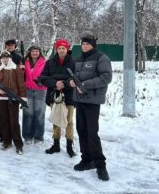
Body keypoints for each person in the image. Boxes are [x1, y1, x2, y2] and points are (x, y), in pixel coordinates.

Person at [70, 34, 112, 181]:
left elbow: (106, 77)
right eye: (83, 44)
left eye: (87, 44)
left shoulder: (101, 58)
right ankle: (87, 159)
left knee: (92, 133)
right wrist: (71, 82)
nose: (84, 46)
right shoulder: (78, 58)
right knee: (81, 131)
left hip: (92, 101)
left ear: (93, 45)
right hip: (79, 100)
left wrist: (85, 85)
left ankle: (100, 165)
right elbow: (74, 75)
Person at [39, 39, 76, 157]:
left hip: (69, 96)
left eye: (63, 48)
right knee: (56, 120)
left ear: (67, 49)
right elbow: (43, 78)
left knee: (69, 121)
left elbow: (75, 78)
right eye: (59, 48)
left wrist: (64, 83)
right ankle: (56, 145)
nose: (61, 50)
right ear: (56, 49)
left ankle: (70, 146)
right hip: (54, 95)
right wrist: (55, 83)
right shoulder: (50, 62)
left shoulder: (73, 62)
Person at [0, 51, 26, 154]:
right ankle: (6, 141)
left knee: (14, 122)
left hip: (14, 98)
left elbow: (21, 84)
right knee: (4, 121)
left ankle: (18, 144)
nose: (5, 60)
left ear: (10, 58)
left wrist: (23, 98)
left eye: (7, 58)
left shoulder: (15, 69)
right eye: (3, 58)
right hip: (2, 99)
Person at [21, 45, 47, 144]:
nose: (34, 53)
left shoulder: (44, 63)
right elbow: (22, 75)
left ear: (39, 52)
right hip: (28, 90)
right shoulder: (25, 62)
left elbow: (47, 74)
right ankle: (27, 136)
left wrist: (41, 81)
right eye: (33, 51)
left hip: (41, 91)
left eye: (36, 51)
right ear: (30, 52)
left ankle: (39, 137)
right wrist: (22, 69)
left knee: (39, 114)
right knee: (28, 114)